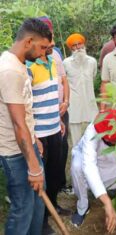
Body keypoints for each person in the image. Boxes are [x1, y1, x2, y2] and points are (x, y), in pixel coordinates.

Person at [0, 18, 51, 235]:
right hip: (14, 152)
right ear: (29, 41)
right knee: (23, 208)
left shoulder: (19, 65)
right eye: (42, 48)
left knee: (38, 201)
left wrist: (34, 138)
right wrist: (33, 167)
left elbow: (24, 116)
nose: (43, 54)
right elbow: (18, 124)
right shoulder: (10, 71)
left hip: (26, 144)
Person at [27, 37, 71, 234]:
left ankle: (52, 207)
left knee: (54, 176)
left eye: (52, 46)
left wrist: (59, 119)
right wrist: (33, 135)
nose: (50, 49)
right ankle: (41, 223)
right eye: (47, 47)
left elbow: (53, 95)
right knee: (40, 181)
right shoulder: (28, 66)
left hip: (55, 129)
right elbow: (25, 103)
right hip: (40, 133)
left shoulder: (52, 62)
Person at [38, 16, 72, 194]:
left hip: (59, 110)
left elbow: (64, 81)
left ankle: (59, 186)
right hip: (43, 117)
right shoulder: (31, 59)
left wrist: (66, 102)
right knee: (46, 157)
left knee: (61, 149)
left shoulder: (55, 54)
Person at [63, 33, 98, 146]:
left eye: (80, 44)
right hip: (74, 105)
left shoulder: (92, 61)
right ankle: (76, 160)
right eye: (74, 45)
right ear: (70, 48)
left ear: (84, 44)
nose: (78, 47)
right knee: (76, 140)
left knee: (93, 135)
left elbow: (93, 76)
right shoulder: (66, 63)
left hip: (90, 102)